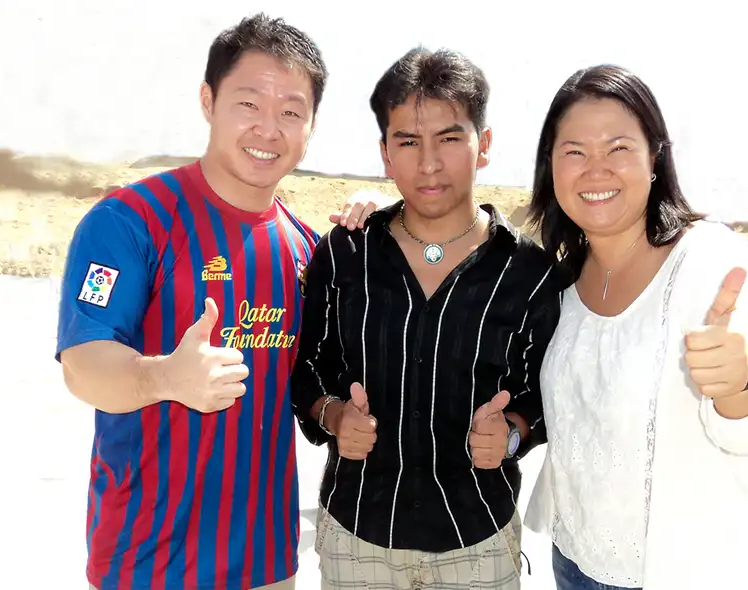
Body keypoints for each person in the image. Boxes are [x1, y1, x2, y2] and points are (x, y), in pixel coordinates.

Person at [55, 13, 385, 590]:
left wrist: (391, 225)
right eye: (248, 104)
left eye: (291, 112)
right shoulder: (131, 221)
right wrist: (163, 377)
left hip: (269, 563)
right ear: (208, 100)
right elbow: (84, 366)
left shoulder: (308, 249)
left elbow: (331, 374)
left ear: (311, 125)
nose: (268, 129)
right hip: (147, 564)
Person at [290, 47, 567, 590]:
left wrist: (510, 435)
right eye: (408, 142)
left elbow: (546, 392)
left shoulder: (531, 274)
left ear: (483, 145)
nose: (429, 163)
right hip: (358, 541)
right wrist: (332, 415)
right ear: (385, 154)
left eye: (450, 138)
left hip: (478, 544)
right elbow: (307, 369)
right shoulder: (346, 255)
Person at [521, 65, 748, 589]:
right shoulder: (560, 276)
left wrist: (747, 370)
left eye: (619, 148)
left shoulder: (709, 260)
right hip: (573, 561)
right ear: (551, 168)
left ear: (655, 159)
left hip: (685, 570)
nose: (595, 169)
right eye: (574, 152)